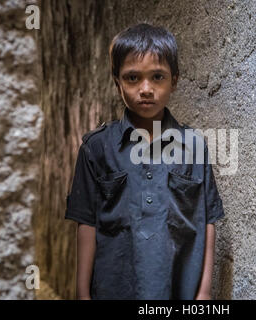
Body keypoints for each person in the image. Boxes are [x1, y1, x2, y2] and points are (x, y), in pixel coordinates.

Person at [65, 23, 225, 300]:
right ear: (117, 82)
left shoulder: (194, 146)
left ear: (174, 81)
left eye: (158, 77)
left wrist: (204, 291)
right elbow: (86, 223)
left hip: (179, 288)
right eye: (133, 78)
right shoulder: (97, 147)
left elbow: (207, 220)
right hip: (114, 286)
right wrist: (82, 293)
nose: (146, 89)